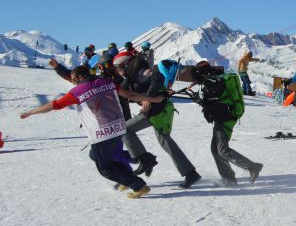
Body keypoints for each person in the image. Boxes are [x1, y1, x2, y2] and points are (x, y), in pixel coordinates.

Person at [20, 64, 157, 198]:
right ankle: (136, 166)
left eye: (73, 79)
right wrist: (152, 99)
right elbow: (130, 94)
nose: (73, 82)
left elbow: (54, 105)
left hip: (103, 133)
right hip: (118, 127)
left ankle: (138, 185)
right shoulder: (106, 82)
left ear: (80, 77)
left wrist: (31, 112)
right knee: (101, 155)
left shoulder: (77, 91)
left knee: (105, 168)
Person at [112, 52, 201, 188]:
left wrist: (148, 97)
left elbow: (158, 76)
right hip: (156, 110)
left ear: (125, 64)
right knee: (165, 141)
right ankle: (190, 173)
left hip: (158, 110)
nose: (117, 71)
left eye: (118, 67)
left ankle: (144, 160)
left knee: (125, 129)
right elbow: (120, 94)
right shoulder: (130, 78)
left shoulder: (141, 72)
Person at [179, 61, 262, 187]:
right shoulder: (212, 82)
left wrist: (200, 78)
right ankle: (229, 179)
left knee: (222, 150)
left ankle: (252, 167)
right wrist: (199, 100)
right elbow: (212, 102)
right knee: (215, 150)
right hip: (221, 117)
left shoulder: (217, 81)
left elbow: (213, 85)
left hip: (226, 118)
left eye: (200, 73)